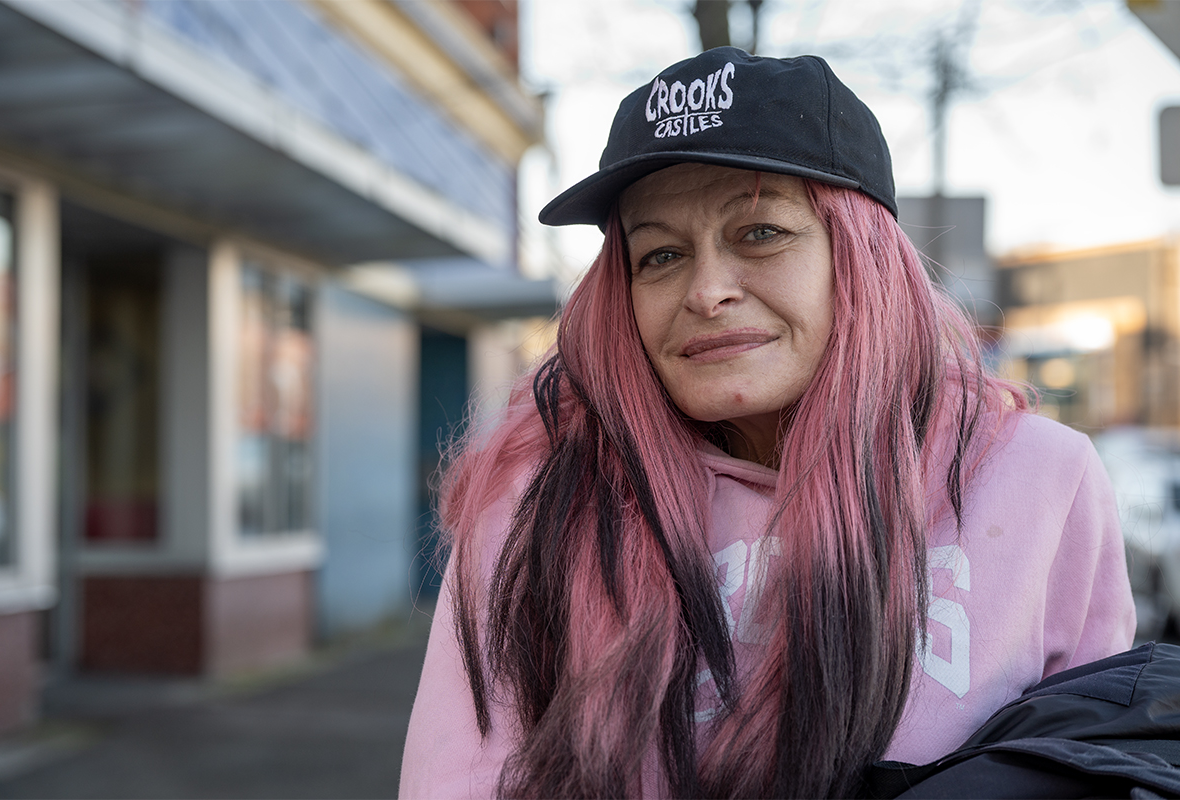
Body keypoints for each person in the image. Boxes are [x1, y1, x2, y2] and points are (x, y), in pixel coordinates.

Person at [399, 48, 1135, 799]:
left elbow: (1090, 764)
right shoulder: (536, 499)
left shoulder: (1043, 479)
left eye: (760, 233)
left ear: (859, 258)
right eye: (660, 254)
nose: (706, 290)